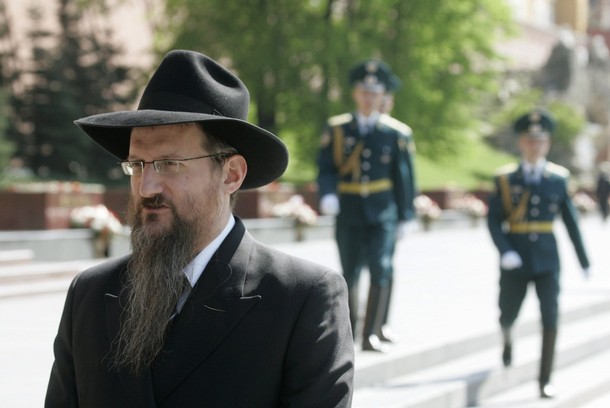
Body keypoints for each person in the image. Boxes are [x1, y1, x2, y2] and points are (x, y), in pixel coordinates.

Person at [45, 50, 354, 407]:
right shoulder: (91, 294)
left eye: (169, 163)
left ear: (231, 174)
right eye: (136, 165)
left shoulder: (302, 299)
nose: (147, 187)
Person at [487, 109, 590, 399]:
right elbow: (494, 219)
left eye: (541, 140)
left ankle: (545, 378)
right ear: (521, 142)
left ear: (547, 143)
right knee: (507, 313)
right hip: (515, 260)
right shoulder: (506, 179)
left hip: (547, 260)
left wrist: (584, 260)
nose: (535, 145)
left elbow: (570, 221)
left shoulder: (558, 178)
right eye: (530, 140)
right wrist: (505, 250)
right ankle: (507, 338)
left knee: (551, 318)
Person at [316, 60, 417, 352]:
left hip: (383, 210)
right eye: (364, 91)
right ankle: (349, 329)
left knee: (380, 266)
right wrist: (328, 193)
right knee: (349, 271)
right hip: (348, 208)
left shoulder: (396, 133)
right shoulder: (337, 129)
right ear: (356, 93)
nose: (369, 97)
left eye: (375, 92)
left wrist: (406, 215)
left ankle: (372, 332)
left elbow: (404, 178)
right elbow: (325, 167)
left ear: (383, 95)